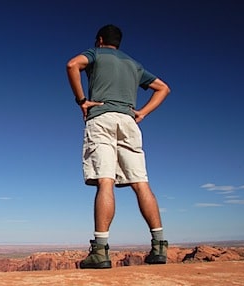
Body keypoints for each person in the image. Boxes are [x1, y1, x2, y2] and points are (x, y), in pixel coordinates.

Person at [66, 24, 171, 269]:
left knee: (105, 180)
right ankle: (159, 246)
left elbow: (72, 65)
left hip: (101, 117)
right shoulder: (134, 64)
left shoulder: (95, 53)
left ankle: (100, 252)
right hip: (128, 122)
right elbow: (163, 88)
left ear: (100, 40)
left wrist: (82, 101)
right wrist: (142, 112)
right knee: (141, 182)